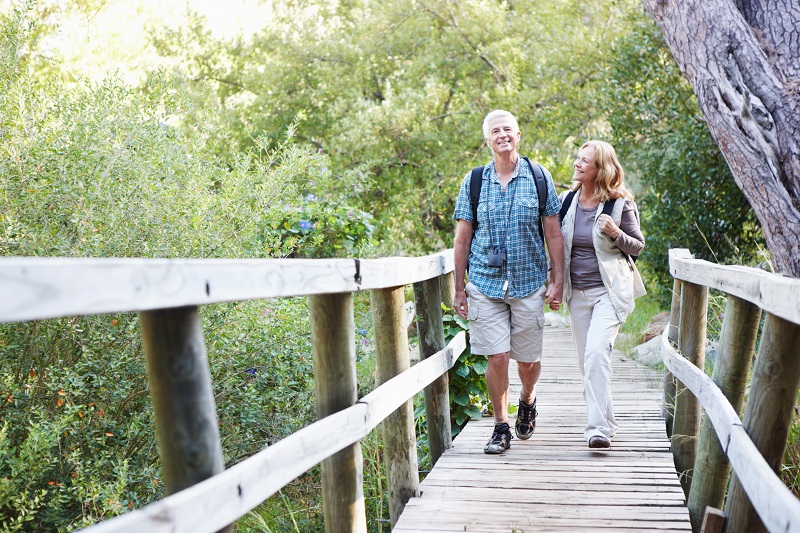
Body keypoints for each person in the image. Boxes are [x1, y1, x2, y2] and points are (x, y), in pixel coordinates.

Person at [452, 110, 564, 454]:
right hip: (485, 284)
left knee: (527, 361)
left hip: (529, 282)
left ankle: (527, 399)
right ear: (487, 140)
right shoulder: (473, 181)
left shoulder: (539, 176)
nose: (502, 135)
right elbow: (461, 239)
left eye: (507, 130)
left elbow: (554, 234)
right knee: (497, 357)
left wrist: (558, 279)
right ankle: (501, 426)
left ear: (518, 135)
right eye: (495, 131)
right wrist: (459, 288)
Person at [558, 140, 646, 449]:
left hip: (610, 293)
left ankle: (596, 429)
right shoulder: (566, 201)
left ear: (601, 169)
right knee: (588, 363)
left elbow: (637, 246)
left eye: (585, 161)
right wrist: (554, 284)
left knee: (596, 353)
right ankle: (607, 421)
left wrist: (615, 233)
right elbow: (555, 246)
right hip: (577, 294)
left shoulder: (619, 204)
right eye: (578, 159)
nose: (577, 164)